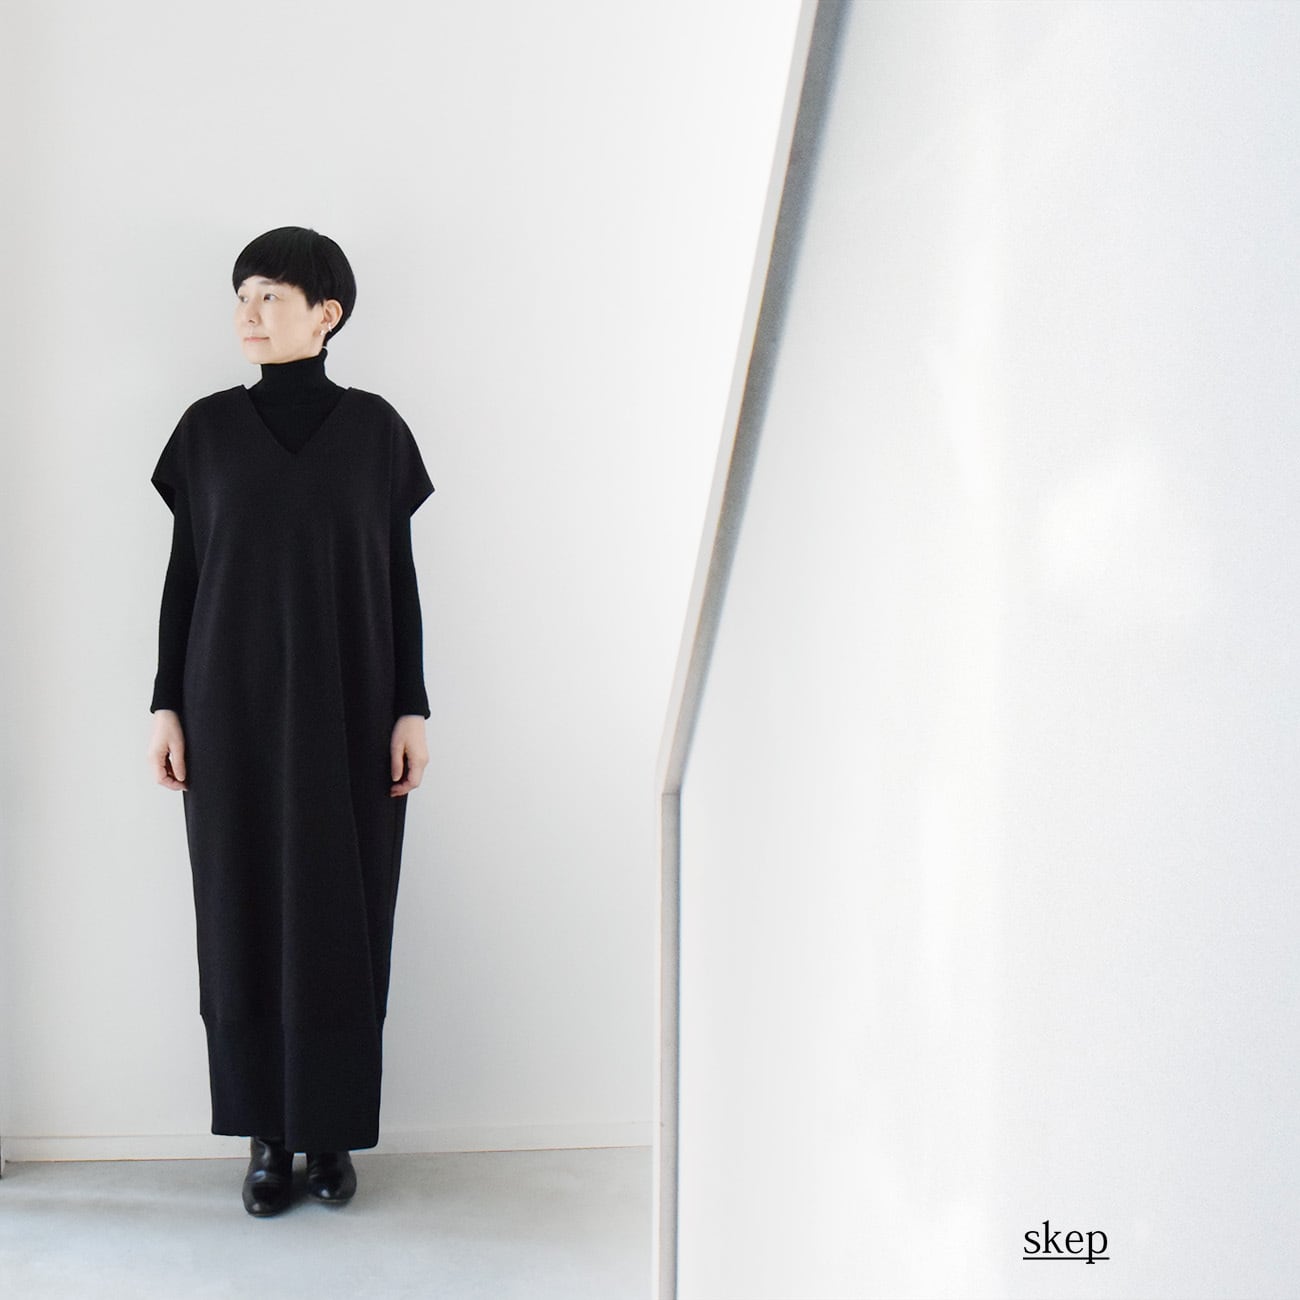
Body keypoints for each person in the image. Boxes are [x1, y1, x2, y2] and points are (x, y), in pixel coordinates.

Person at [145, 226, 435, 1217]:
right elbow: (184, 580)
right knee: (242, 913)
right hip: (229, 714)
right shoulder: (205, 432)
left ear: (327, 312)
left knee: (345, 917)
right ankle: (267, 1137)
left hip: (352, 710)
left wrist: (412, 704)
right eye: (241, 295)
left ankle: (331, 1133)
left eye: (270, 294)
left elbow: (397, 581)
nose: (248, 313)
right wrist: (166, 703)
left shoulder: (377, 432)